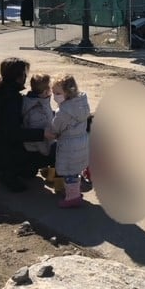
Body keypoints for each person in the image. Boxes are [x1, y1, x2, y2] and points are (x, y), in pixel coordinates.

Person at [0, 58, 54, 192]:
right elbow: (12, 133)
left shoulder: (1, 89)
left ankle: (7, 169)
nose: (25, 77)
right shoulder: (10, 99)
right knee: (50, 152)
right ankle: (6, 173)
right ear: (18, 77)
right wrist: (42, 133)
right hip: (4, 148)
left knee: (30, 172)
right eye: (23, 74)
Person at [45, 74, 90, 208]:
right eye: (53, 93)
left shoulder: (64, 111)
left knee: (69, 173)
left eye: (58, 93)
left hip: (69, 145)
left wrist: (51, 132)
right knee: (75, 170)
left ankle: (72, 198)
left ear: (68, 91)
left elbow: (56, 127)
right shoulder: (81, 103)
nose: (55, 96)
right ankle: (75, 192)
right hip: (82, 141)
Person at [22, 73, 55, 156]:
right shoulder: (37, 108)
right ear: (45, 92)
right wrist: (47, 152)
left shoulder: (41, 102)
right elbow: (37, 135)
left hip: (40, 146)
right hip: (37, 150)